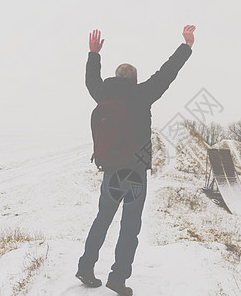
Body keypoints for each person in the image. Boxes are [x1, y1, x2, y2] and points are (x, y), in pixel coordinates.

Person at [76, 25, 196, 296]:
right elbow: (167, 73)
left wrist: (93, 53)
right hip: (135, 172)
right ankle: (118, 278)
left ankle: (86, 266)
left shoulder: (102, 94)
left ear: (115, 78)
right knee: (129, 224)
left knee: (102, 218)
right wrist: (186, 46)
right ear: (135, 79)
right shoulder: (142, 94)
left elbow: (91, 80)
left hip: (110, 170)